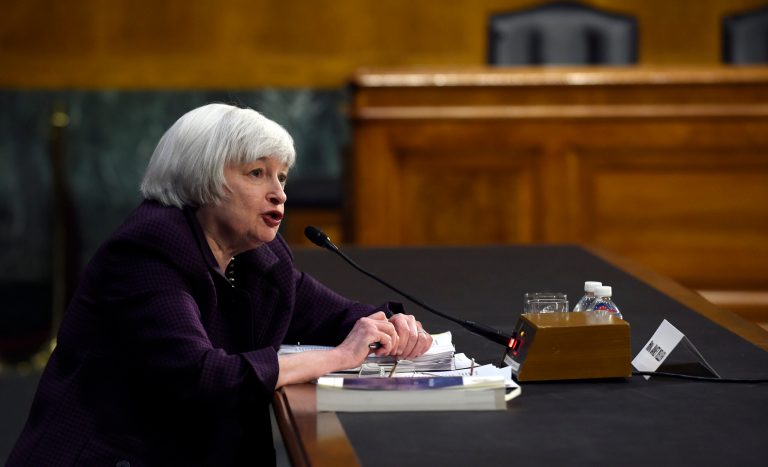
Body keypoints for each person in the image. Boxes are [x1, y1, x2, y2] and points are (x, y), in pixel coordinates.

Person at [7, 103, 433, 466]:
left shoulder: (258, 256)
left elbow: (334, 315)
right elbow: (202, 376)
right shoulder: (148, 252)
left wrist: (391, 325)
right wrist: (338, 357)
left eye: (281, 177)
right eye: (256, 173)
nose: (279, 194)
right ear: (202, 177)